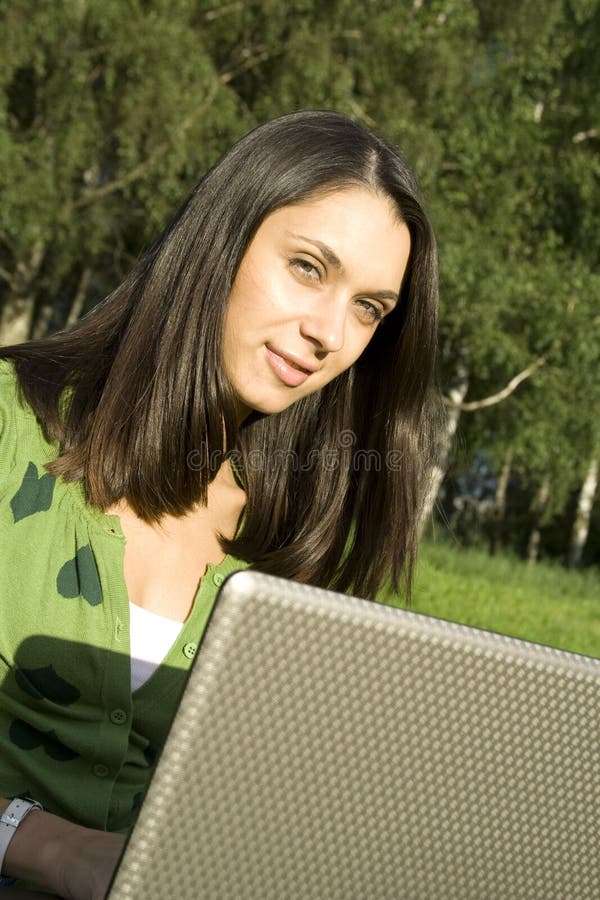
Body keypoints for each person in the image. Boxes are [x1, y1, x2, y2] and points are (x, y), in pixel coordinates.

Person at [0, 109, 439, 897]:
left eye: (370, 307)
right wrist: (54, 850)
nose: (329, 333)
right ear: (221, 241)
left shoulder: (292, 540)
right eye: (308, 267)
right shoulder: (8, 428)